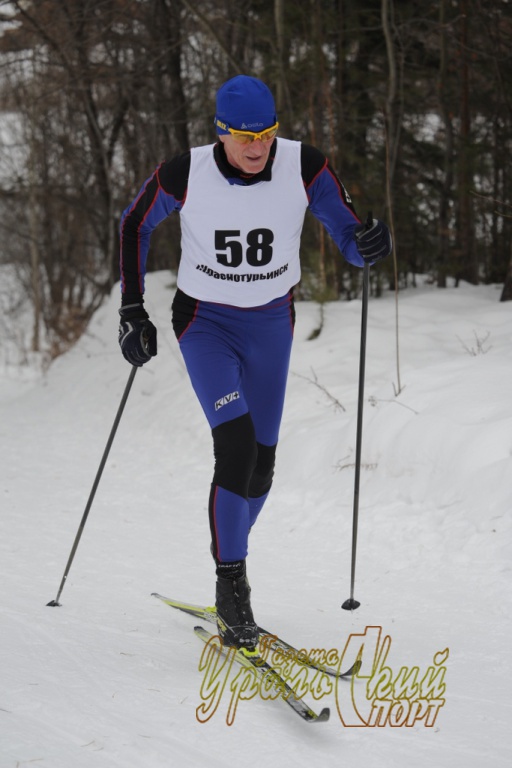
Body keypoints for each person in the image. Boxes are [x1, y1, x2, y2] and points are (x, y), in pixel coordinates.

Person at [118, 75, 391, 652]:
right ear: (221, 132)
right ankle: (231, 587)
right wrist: (132, 308)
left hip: (271, 324)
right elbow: (134, 224)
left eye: (267, 134)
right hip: (205, 323)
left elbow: (345, 231)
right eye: (245, 136)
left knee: (261, 468)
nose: (257, 147)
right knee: (236, 447)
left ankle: (229, 548)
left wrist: (365, 244)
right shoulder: (184, 172)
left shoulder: (305, 166)